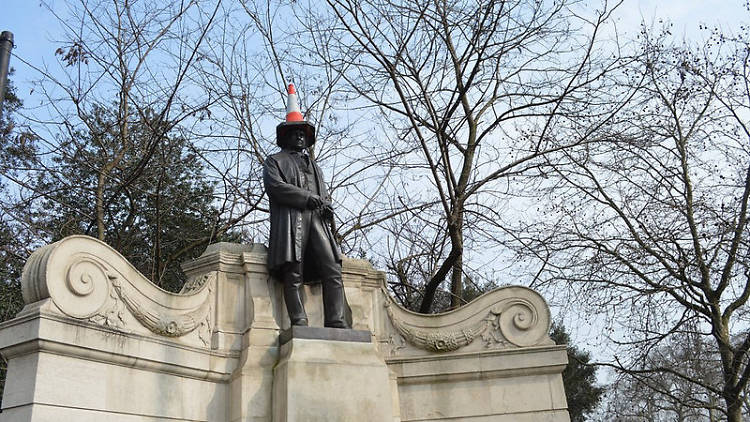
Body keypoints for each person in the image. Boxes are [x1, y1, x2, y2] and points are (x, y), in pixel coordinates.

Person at [263, 83, 349, 329]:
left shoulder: (315, 166)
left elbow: (322, 193)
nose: (300, 136)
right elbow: (276, 187)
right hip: (292, 221)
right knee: (293, 271)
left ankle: (336, 319)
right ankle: (299, 321)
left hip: (318, 220)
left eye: (302, 133)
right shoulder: (275, 161)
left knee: (332, 267)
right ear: (286, 136)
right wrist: (305, 197)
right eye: (295, 132)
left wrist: (326, 206)